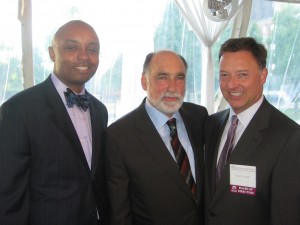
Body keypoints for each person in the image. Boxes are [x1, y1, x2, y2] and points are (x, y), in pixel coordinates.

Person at [0, 20, 109, 225]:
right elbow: (8, 196)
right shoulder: (19, 110)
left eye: (92, 49)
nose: (84, 56)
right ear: (52, 53)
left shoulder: (100, 111)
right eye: (71, 47)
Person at [204, 37, 300, 225]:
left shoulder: (289, 137)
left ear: (263, 75)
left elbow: (287, 215)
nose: (231, 84)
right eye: (224, 75)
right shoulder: (212, 124)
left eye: (242, 75)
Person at [105, 50, 208, 225]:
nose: (172, 87)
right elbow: (119, 213)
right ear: (144, 82)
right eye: (163, 77)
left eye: (179, 78)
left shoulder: (199, 116)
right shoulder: (119, 136)